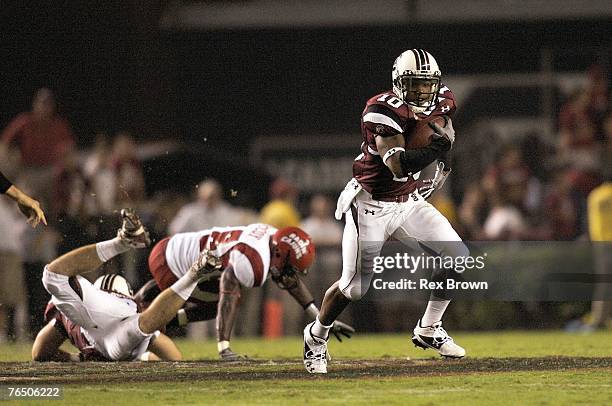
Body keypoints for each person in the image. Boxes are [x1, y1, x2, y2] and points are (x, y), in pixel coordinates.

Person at [303, 49, 467, 373]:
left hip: (407, 201)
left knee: (458, 258)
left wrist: (444, 160)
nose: (423, 93)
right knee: (354, 288)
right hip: (371, 204)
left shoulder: (443, 99)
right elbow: (396, 165)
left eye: (427, 85)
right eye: (415, 86)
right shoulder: (382, 110)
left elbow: (445, 129)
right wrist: (438, 149)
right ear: (398, 84)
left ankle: (429, 328)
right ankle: (316, 336)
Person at [134, 223, 354, 360]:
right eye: (289, 269)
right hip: (170, 262)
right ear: (278, 255)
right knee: (223, 301)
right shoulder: (255, 262)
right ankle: (138, 319)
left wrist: (321, 320)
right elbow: (227, 294)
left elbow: (291, 282)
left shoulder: (274, 240)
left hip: (172, 248)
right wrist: (224, 347)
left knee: (218, 302)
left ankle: (147, 311)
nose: (290, 275)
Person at [31, 209, 221, 362]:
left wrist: (78, 357)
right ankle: (194, 273)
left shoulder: (69, 316)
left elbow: (40, 352)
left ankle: (124, 243)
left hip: (103, 323)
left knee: (52, 276)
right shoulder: (133, 307)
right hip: (116, 336)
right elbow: (172, 355)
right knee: (143, 326)